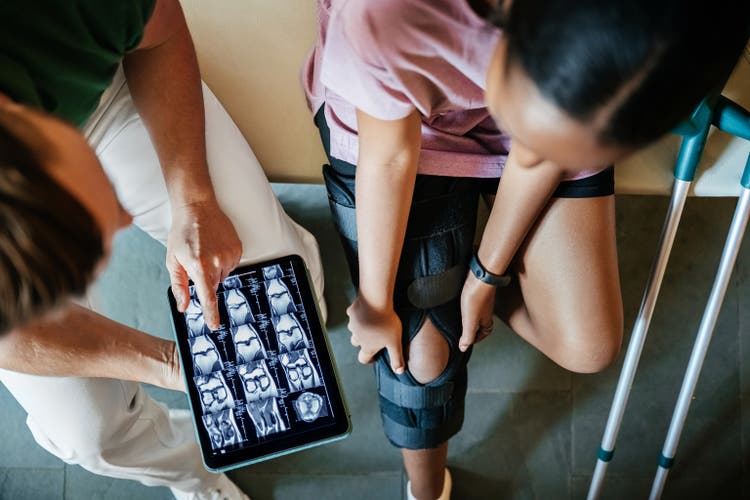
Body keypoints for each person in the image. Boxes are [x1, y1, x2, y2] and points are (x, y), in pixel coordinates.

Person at [303, 0, 750, 498]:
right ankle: (428, 490)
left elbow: (541, 153)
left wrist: (483, 276)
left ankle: (445, 284)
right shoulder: (384, 13)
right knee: (422, 361)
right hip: (405, 121)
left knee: (589, 346)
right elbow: (388, 158)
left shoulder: (615, 74)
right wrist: (377, 302)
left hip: (560, 100)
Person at [0, 0, 326, 498]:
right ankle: (194, 474)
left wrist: (193, 202)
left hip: (110, 85)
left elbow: (163, 33)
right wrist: (170, 364)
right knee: (90, 435)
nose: (124, 220)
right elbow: (10, 335)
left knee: (271, 269)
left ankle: (303, 262)